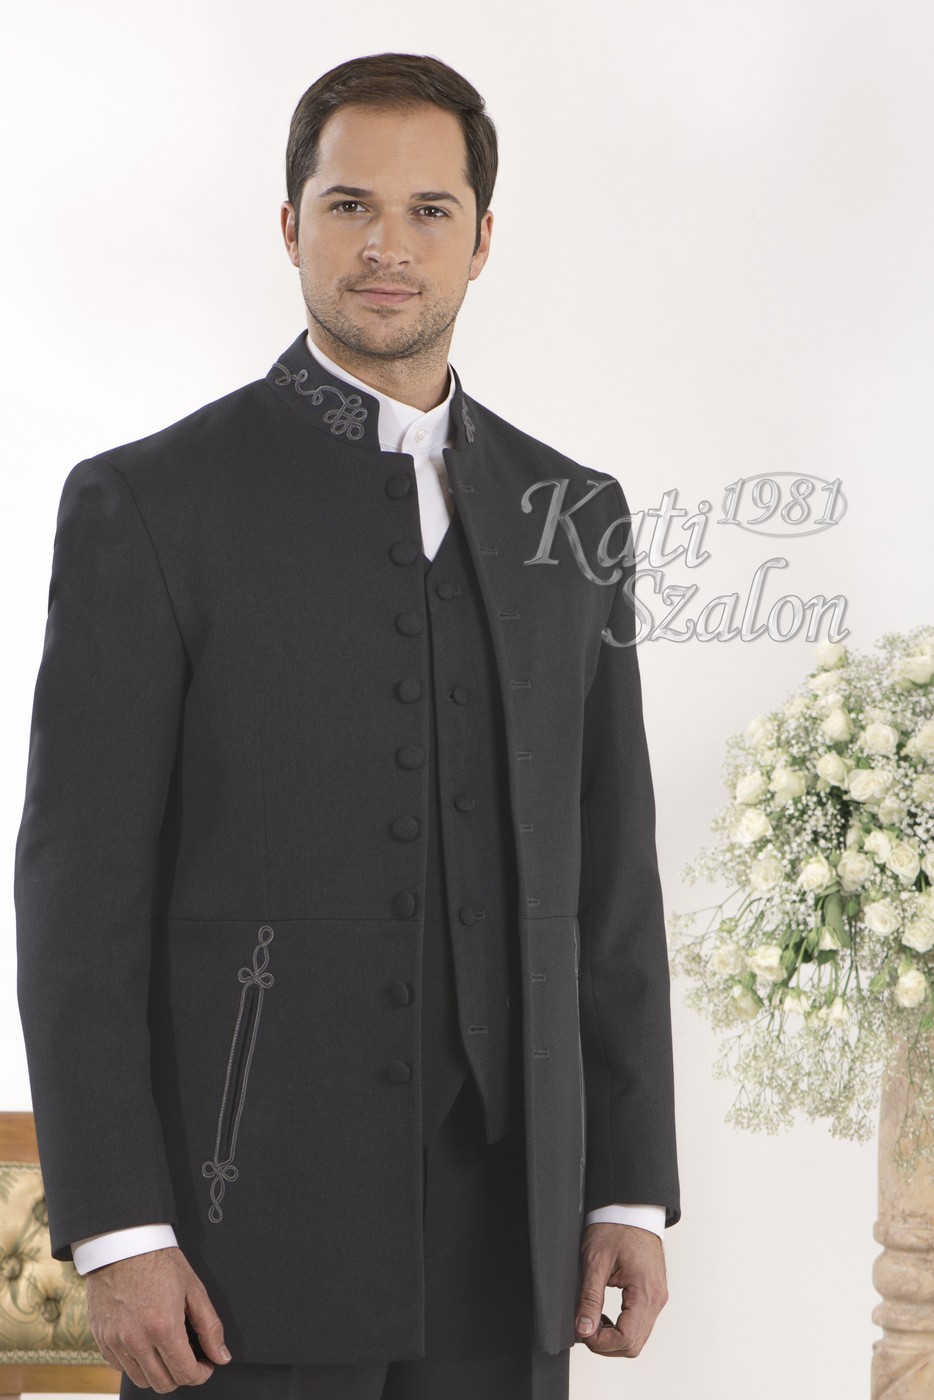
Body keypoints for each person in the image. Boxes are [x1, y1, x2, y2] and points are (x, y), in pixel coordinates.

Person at [14, 51, 680, 1400]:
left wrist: (627, 1186)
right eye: (349, 206)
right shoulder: (150, 506)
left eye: (430, 210)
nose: (388, 246)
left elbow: (610, 882)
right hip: (238, 1228)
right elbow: (78, 903)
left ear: (481, 240)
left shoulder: (574, 514)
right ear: (290, 226)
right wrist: (120, 1228)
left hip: (513, 1224)